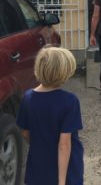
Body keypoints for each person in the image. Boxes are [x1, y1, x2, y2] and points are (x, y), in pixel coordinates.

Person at [17, 46, 84, 185]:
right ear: (63, 74)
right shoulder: (70, 102)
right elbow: (64, 144)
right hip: (66, 170)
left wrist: (39, 144)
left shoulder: (27, 98)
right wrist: (61, 181)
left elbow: (25, 133)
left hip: (38, 166)